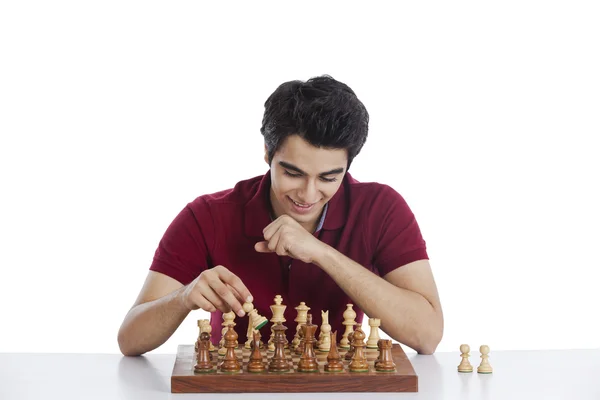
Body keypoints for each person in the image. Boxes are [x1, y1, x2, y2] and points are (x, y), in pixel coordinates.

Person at [117, 75, 443, 357]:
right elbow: (130, 339)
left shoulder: (381, 209)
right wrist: (184, 296)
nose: (308, 194)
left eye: (329, 177)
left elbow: (427, 336)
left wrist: (321, 253)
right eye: (292, 173)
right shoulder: (207, 215)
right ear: (267, 153)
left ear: (348, 166)